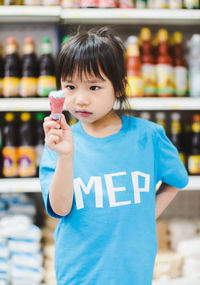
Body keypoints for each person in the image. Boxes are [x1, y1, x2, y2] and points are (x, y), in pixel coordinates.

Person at [39, 27, 188, 285]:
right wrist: (66, 155)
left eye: (94, 86)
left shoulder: (149, 137)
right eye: (70, 86)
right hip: (78, 276)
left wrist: (146, 213)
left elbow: (177, 179)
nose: (80, 99)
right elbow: (60, 209)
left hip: (134, 275)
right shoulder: (59, 144)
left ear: (119, 88)